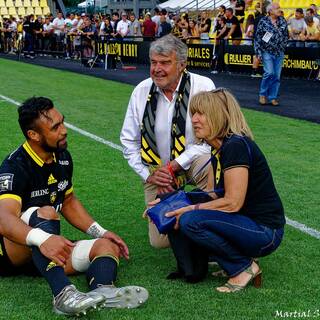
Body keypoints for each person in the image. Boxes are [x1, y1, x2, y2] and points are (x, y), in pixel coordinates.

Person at [0, 97, 148, 316]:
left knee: (106, 246)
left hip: (46, 255)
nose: (64, 130)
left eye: (63, 122)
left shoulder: (62, 158)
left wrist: (101, 231)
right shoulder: (15, 165)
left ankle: (103, 292)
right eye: (55, 127)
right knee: (45, 212)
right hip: (11, 254)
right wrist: (43, 240)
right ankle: (63, 295)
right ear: (34, 135)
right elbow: (3, 219)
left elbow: (68, 201)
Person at [162, 88, 285, 291]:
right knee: (174, 202)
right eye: (193, 113)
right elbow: (212, 194)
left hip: (265, 232)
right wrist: (170, 202)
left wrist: (189, 209)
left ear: (218, 117)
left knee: (190, 221)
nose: (194, 120)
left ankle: (243, 268)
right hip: (247, 223)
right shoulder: (218, 147)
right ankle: (228, 261)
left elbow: (232, 202)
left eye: (202, 114)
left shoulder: (235, 146)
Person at [120, 34, 215, 249]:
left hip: (192, 164)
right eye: (154, 62)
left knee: (212, 166)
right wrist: (151, 176)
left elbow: (211, 139)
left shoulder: (203, 86)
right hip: (156, 172)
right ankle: (188, 214)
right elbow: (128, 141)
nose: (157, 69)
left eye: (165, 63)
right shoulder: (141, 91)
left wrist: (174, 166)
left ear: (182, 65)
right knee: (160, 241)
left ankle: (211, 226)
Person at [254, 2, 288, 106]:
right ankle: (262, 94)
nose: (279, 10)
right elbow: (258, 38)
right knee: (269, 73)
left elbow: (286, 35)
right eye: (277, 8)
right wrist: (258, 53)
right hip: (266, 52)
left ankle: (273, 97)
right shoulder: (263, 21)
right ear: (270, 11)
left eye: (279, 8)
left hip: (279, 52)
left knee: (276, 76)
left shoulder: (282, 20)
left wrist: (283, 45)